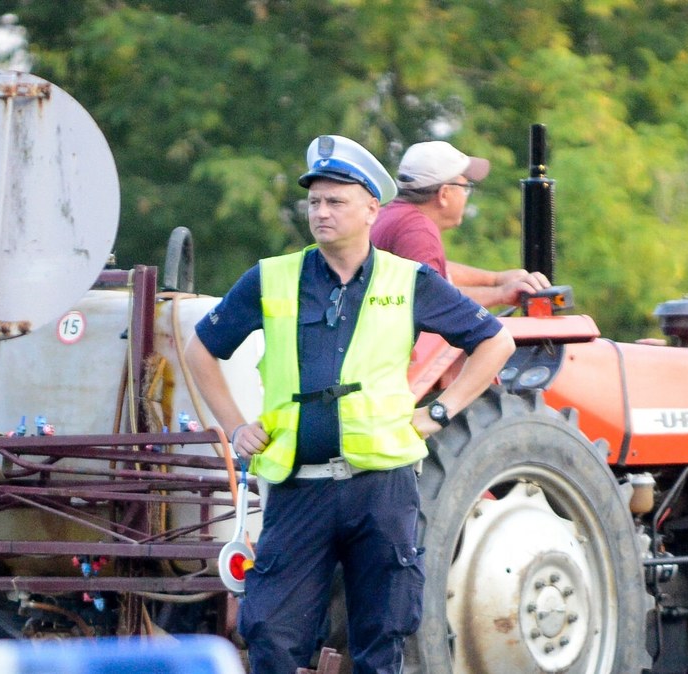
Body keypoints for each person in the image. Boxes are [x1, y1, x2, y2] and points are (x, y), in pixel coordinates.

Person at [184, 134, 515, 674]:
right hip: (298, 488)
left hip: (381, 488)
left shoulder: (409, 280)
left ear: (371, 208)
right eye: (313, 201)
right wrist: (234, 426)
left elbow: (495, 341)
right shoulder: (272, 277)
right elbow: (201, 350)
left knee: (381, 640)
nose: (320, 211)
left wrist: (439, 413)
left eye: (335, 201)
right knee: (269, 635)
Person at [371, 140, 551, 306]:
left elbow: (436, 274)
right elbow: (432, 301)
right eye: (465, 188)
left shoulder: (392, 215)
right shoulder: (418, 231)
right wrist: (501, 294)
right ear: (444, 194)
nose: (467, 197)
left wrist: (496, 280)